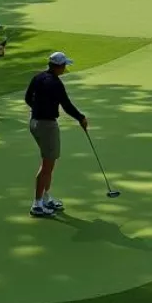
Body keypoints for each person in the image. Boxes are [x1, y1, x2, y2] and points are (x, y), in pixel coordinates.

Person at [25, 50, 87, 217]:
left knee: (48, 164)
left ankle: (45, 198)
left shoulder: (37, 78)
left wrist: (37, 108)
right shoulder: (56, 84)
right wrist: (81, 118)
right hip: (47, 126)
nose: (65, 68)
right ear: (58, 66)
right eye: (64, 65)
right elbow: (66, 105)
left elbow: (27, 98)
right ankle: (37, 204)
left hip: (34, 123)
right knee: (47, 166)